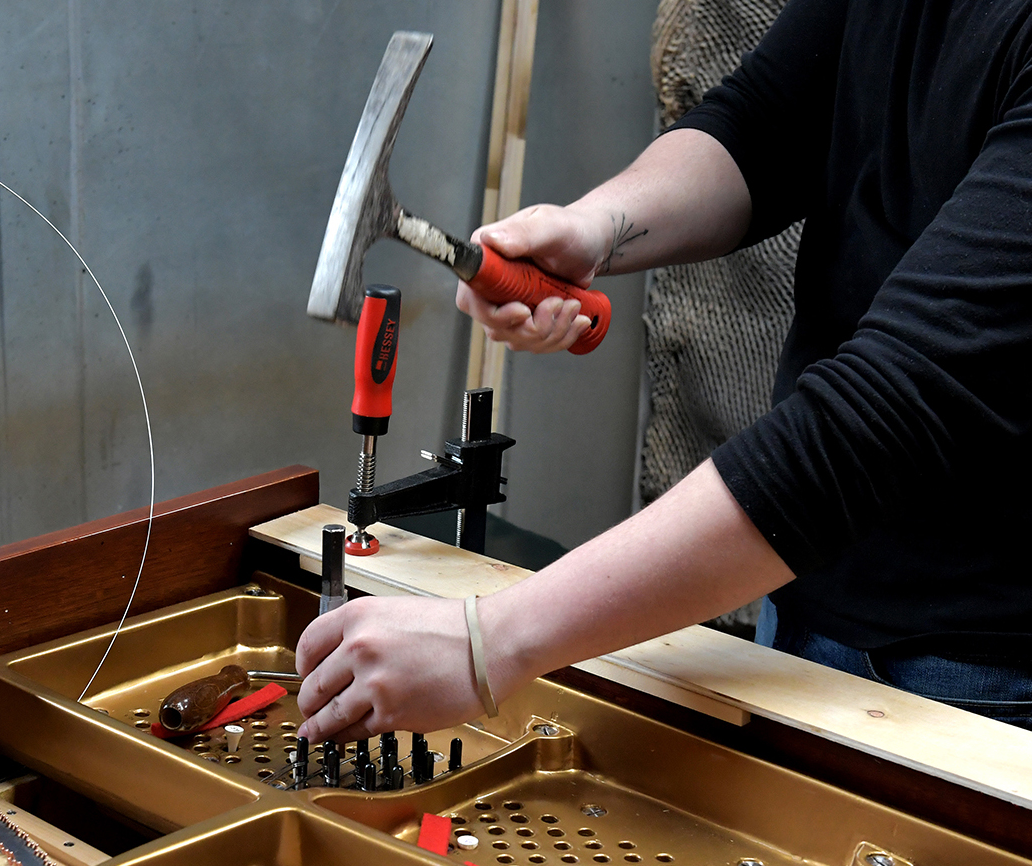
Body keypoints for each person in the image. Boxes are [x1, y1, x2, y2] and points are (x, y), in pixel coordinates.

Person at [295, 0, 1032, 743]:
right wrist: (594, 227)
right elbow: (766, 123)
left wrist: (486, 644)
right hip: (802, 590)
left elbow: (879, 420)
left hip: (985, 670)